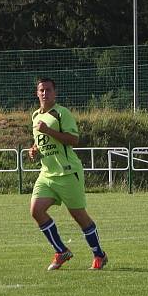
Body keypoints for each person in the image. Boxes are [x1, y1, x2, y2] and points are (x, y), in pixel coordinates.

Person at [29, 78, 107, 271]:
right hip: (47, 174)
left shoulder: (62, 113)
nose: (45, 93)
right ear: (37, 93)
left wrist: (48, 130)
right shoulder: (34, 116)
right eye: (41, 90)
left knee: (79, 216)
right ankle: (61, 251)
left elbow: (73, 139)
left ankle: (99, 255)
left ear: (55, 93)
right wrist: (34, 149)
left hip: (68, 173)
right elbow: (41, 142)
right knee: (36, 211)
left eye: (48, 90)